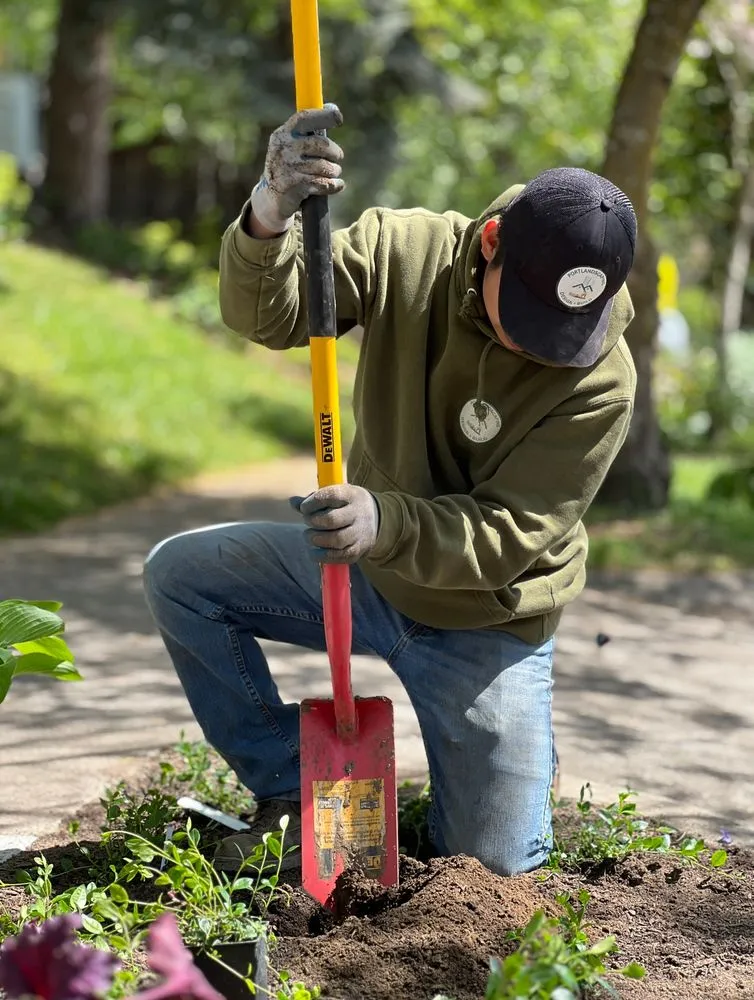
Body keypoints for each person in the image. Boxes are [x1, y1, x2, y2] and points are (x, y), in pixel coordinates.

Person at [143, 103, 638, 878]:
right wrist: (270, 214)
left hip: (487, 622)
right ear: (491, 242)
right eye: (531, 317)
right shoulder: (406, 251)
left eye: (566, 327)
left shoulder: (600, 379)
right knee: (181, 575)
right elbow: (272, 314)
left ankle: (504, 765)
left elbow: (512, 533)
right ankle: (292, 789)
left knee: (495, 873)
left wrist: (386, 519)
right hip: (361, 574)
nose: (545, 348)